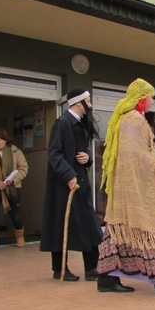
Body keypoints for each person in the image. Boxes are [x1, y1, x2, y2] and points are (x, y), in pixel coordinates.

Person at [96, 78, 155, 295]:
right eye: (151, 96)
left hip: (126, 188)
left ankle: (106, 278)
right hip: (134, 189)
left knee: (118, 229)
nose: (153, 100)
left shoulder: (127, 118)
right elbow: (133, 154)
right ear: (141, 98)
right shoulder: (134, 120)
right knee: (146, 229)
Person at [40, 87, 103, 281]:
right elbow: (54, 153)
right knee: (61, 225)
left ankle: (92, 268)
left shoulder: (81, 124)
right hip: (64, 185)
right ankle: (59, 269)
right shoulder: (62, 123)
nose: (90, 105)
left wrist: (88, 157)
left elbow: (83, 151)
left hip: (81, 183)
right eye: (88, 101)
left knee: (89, 223)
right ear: (78, 103)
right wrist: (69, 175)